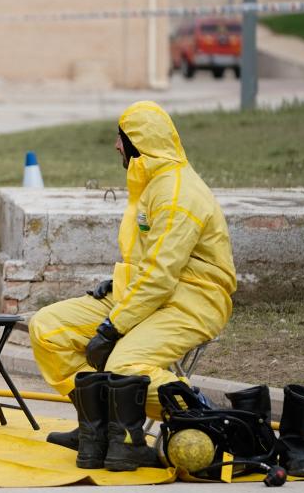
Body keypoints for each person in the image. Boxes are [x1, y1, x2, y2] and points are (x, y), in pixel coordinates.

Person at [28, 101, 236, 471]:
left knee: (125, 369)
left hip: (190, 302)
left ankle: (202, 414)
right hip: (144, 297)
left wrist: (113, 327)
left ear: (139, 142)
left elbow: (160, 275)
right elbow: (150, 261)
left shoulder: (177, 194)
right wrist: (118, 283)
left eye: (120, 138)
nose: (115, 146)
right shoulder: (151, 184)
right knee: (48, 329)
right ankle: (97, 427)